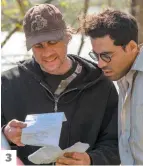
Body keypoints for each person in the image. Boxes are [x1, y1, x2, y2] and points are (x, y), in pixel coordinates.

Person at [1, 4, 120, 165]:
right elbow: (2, 156)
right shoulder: (7, 84)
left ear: (67, 37)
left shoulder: (100, 84)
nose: (47, 53)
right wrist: (5, 136)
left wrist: (91, 160)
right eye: (39, 46)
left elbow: (116, 144)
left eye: (52, 42)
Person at [80, 9, 143, 165]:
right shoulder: (123, 77)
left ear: (130, 47)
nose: (100, 64)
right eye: (96, 56)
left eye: (106, 55)